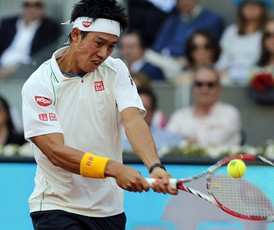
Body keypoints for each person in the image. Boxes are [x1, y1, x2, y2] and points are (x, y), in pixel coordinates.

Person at [21, 0, 177, 229]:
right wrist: (113, 169)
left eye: (111, 46)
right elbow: (55, 151)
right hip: (57, 207)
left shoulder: (117, 70)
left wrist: (155, 167)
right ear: (76, 34)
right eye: (99, 43)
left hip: (109, 209)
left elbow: (133, 119)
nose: (104, 53)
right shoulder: (39, 84)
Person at [145, 0, 224, 80]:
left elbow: (212, 49)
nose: (184, 2)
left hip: (189, 64)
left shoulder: (213, 20)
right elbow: (157, 47)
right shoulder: (171, 21)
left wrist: (188, 58)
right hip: (167, 61)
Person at [167, 66, 242, 147]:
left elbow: (218, 139)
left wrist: (186, 138)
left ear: (220, 88)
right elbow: (168, 141)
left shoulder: (230, 113)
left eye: (210, 84)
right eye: (199, 84)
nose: (204, 89)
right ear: (192, 88)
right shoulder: (179, 116)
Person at [0, 0, 62, 78]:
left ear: (43, 8)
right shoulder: (8, 23)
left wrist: (15, 68)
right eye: (27, 5)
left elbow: (43, 54)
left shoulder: (49, 27)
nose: (32, 9)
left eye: (37, 5)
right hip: (2, 63)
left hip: (25, 68)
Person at [216, 0, 271, 85]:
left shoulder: (269, 32)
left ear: (263, 8)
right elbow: (222, 58)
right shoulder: (231, 31)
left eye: (255, 3)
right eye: (246, 3)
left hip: (258, 82)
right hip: (228, 80)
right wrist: (222, 72)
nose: (250, 7)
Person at [122, 87, 184, 154]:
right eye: (135, 109)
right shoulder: (116, 136)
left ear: (153, 112)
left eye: (143, 110)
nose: (139, 114)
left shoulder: (168, 139)